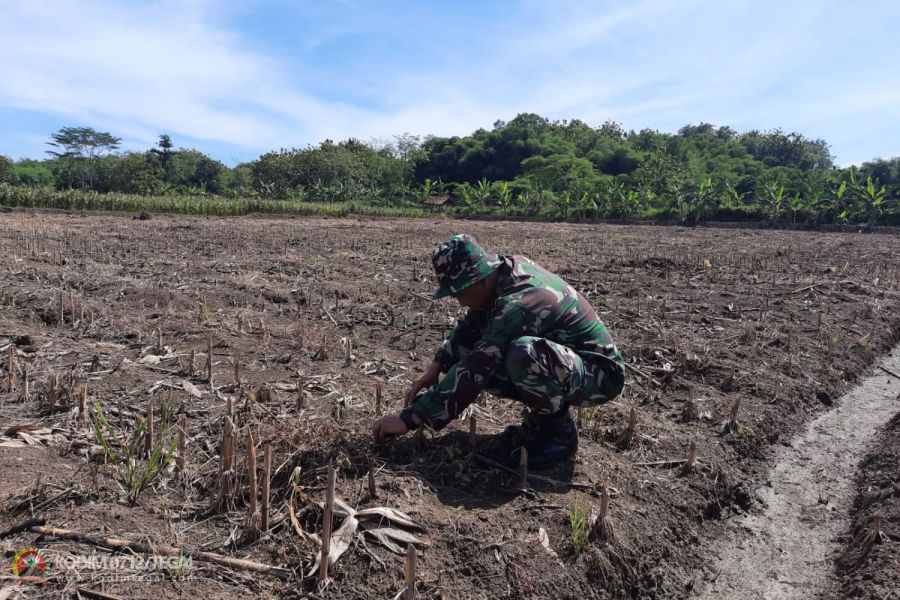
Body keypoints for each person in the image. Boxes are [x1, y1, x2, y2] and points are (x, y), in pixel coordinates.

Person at [372, 234, 625, 468]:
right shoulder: (505, 272)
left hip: (600, 376)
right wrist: (436, 367)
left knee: (522, 354)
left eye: (459, 293)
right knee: (495, 357)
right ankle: (539, 424)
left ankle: (558, 435)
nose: (458, 301)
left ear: (478, 280)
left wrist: (409, 419)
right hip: (568, 365)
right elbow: (472, 324)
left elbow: (474, 369)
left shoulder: (517, 306)